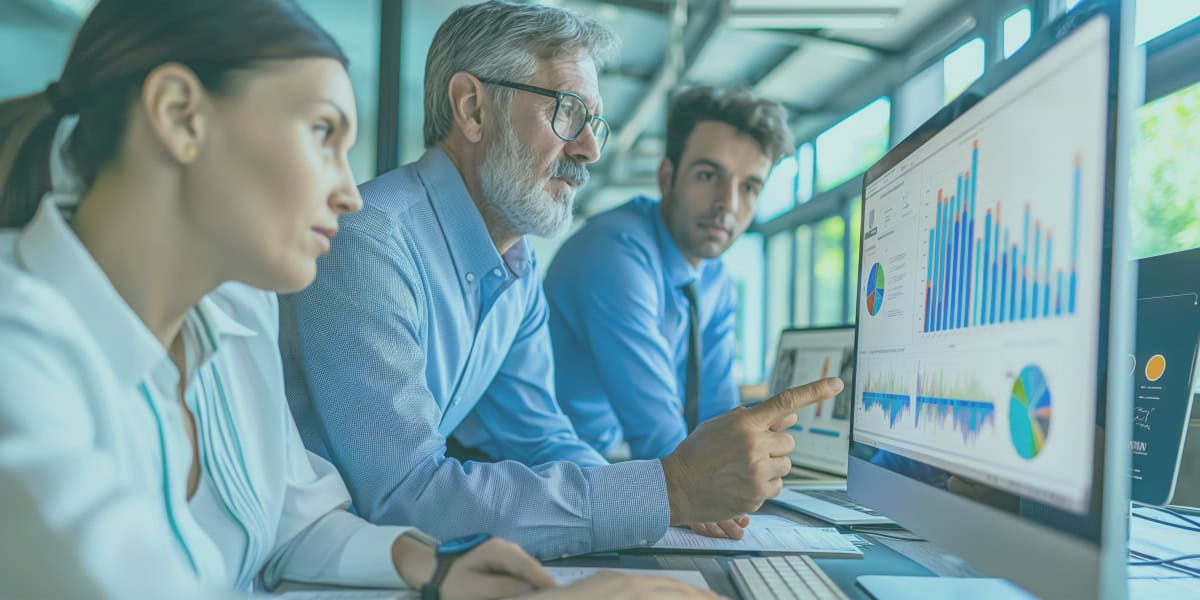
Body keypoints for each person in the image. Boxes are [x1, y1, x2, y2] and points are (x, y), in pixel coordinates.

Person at [0, 1, 712, 598]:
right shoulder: (19, 358)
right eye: (322, 134)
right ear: (181, 115)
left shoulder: (232, 314)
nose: (348, 193)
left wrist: (438, 569)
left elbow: (296, 523)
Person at [281, 0, 844, 558]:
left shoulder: (516, 267)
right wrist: (668, 489)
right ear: (473, 109)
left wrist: (672, 503)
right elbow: (407, 500)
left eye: (593, 121)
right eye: (568, 112)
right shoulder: (372, 246)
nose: (590, 148)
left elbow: (538, 436)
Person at [544, 87, 793, 461]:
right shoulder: (614, 251)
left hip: (601, 460)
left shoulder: (716, 283)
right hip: (524, 468)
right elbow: (661, 440)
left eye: (749, 186)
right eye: (709, 175)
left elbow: (720, 420)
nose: (729, 203)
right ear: (667, 177)